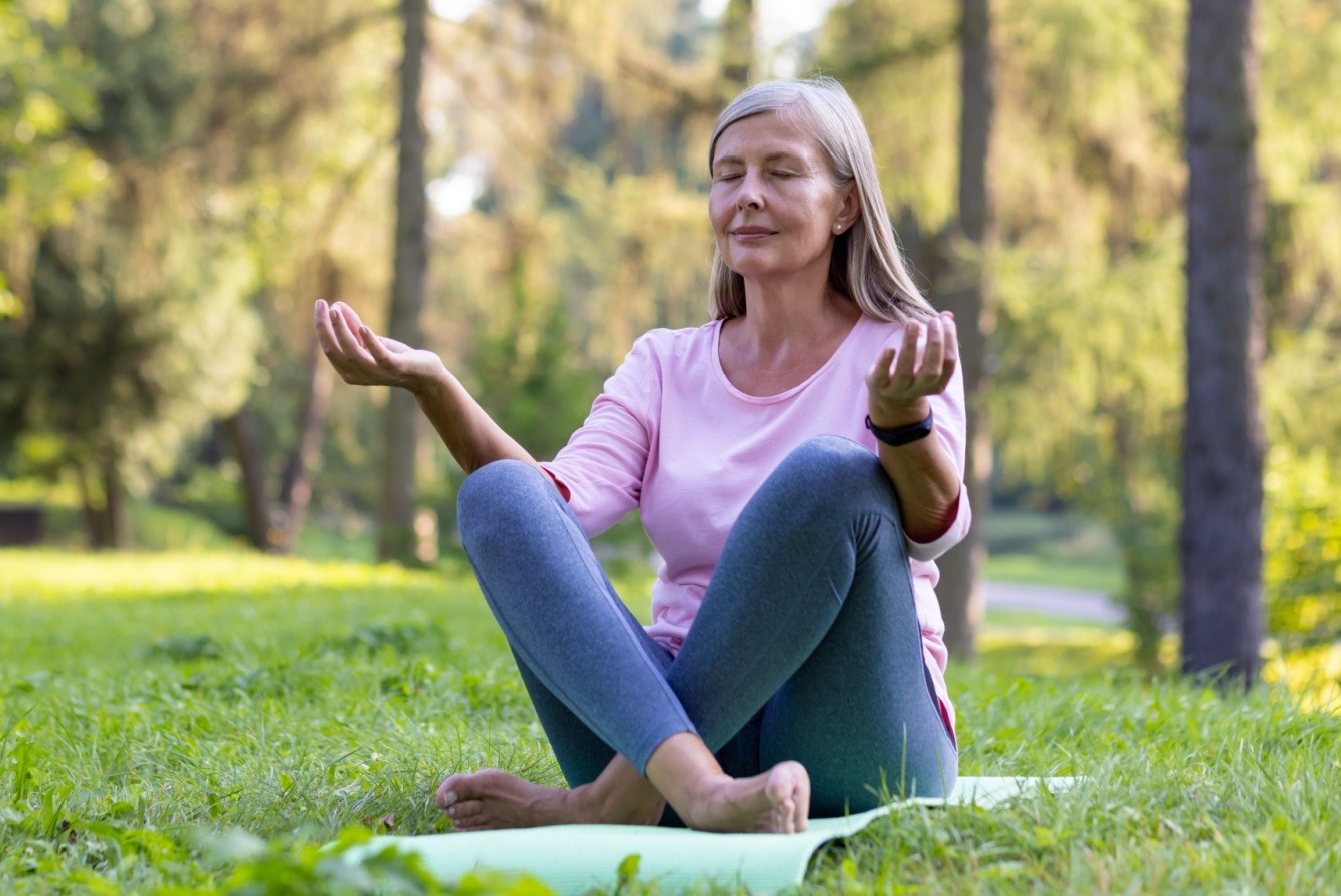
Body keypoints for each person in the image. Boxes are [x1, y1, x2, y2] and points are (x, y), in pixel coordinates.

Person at [313, 76, 967, 836]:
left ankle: (608, 802)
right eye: (728, 177)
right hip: (669, 727)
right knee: (498, 495)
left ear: (846, 204)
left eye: (781, 173)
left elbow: (933, 530)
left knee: (830, 474)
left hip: (853, 735)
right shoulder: (663, 365)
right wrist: (434, 387)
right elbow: (555, 506)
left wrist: (898, 422)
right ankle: (697, 788)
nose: (747, 196)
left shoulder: (903, 346)